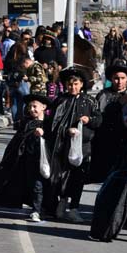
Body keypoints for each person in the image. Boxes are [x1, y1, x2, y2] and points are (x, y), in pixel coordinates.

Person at [0, 94, 49, 221]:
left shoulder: (49, 123)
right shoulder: (26, 123)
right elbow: (17, 142)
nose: (32, 109)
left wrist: (43, 134)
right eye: (29, 107)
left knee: (39, 185)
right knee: (32, 185)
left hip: (43, 160)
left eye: (35, 106)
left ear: (43, 107)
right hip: (26, 159)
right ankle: (36, 210)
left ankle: (40, 208)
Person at [45, 68, 100, 222]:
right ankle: (61, 203)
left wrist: (89, 120)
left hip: (83, 147)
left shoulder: (90, 101)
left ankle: (74, 207)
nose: (73, 87)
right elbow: (52, 123)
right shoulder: (60, 101)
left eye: (76, 84)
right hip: (62, 146)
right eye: (70, 84)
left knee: (78, 177)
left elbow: (98, 120)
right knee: (61, 176)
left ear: (81, 84)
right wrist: (64, 131)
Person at [90, 63, 127, 184]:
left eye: (123, 78)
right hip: (107, 142)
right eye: (116, 78)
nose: (119, 81)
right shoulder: (103, 95)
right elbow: (99, 117)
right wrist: (118, 105)